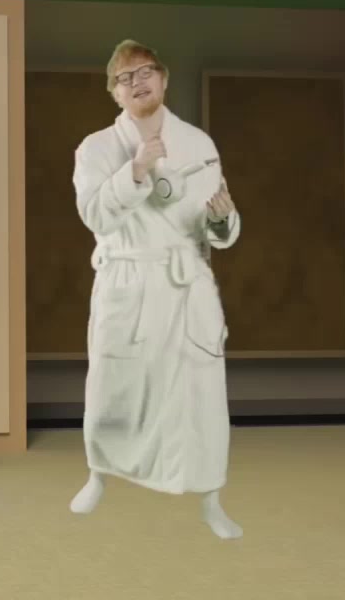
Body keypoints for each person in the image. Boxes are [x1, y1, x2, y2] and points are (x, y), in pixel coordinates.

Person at [68, 40, 243, 540]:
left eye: (146, 72)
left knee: (201, 399)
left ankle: (211, 500)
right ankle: (98, 475)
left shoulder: (199, 143)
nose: (137, 82)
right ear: (114, 93)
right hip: (129, 279)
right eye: (125, 78)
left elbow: (214, 228)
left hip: (185, 284)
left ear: (164, 78)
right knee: (113, 389)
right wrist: (137, 170)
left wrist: (223, 220)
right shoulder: (97, 148)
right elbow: (95, 216)